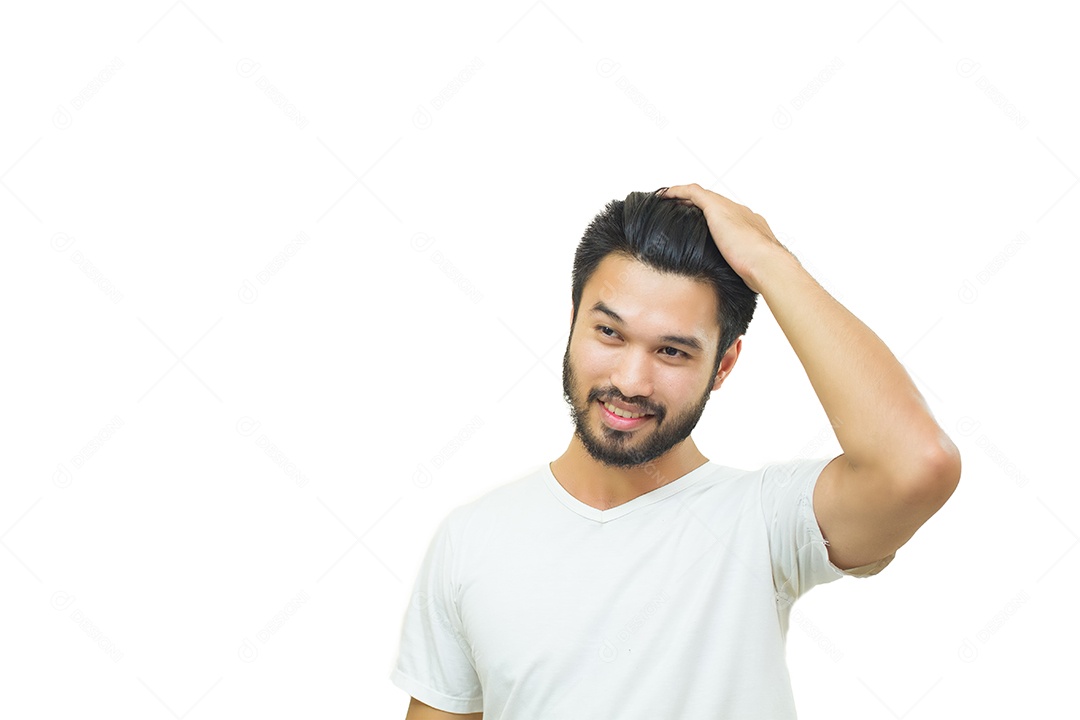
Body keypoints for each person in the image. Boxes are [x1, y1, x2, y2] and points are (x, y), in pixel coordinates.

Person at [390, 184, 961, 719]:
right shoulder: (471, 541)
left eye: (672, 351)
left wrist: (769, 260)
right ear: (572, 324)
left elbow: (916, 464)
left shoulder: (764, 522)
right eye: (609, 333)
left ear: (724, 365)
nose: (632, 381)